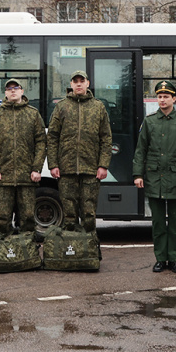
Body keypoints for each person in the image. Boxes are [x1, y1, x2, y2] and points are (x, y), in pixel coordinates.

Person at [132, 80, 176, 274]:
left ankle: (174, 259)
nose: (162, 100)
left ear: (174, 99)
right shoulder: (149, 121)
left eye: (166, 96)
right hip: (155, 179)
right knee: (158, 223)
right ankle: (160, 259)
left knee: (175, 224)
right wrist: (138, 174)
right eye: (159, 97)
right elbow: (140, 151)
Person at [47, 70, 113, 234]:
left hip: (90, 169)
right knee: (69, 214)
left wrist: (103, 165)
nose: (78, 84)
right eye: (75, 81)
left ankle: (88, 245)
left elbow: (106, 138)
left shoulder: (98, 107)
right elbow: (53, 137)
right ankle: (72, 246)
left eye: (81, 81)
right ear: (71, 84)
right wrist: (53, 164)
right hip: (66, 169)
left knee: (89, 213)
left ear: (87, 83)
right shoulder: (61, 107)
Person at [0, 78, 46, 239]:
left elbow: (41, 142)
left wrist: (36, 168)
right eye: (9, 88)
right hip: (3, 176)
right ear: (5, 93)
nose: (12, 91)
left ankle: (28, 248)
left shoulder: (33, 114)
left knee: (28, 217)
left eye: (16, 88)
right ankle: (3, 248)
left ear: (22, 91)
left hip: (27, 177)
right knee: (4, 218)